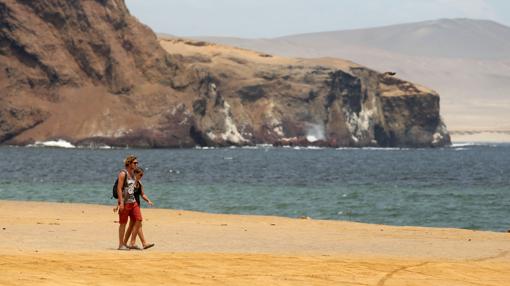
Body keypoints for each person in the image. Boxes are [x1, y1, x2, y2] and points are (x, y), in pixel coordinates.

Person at [123, 167, 155, 250]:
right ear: (135, 174)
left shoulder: (140, 184)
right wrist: (120, 204)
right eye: (140, 175)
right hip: (131, 205)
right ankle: (133, 242)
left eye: (142, 175)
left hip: (137, 206)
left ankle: (125, 243)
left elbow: (142, 194)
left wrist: (148, 200)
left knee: (135, 224)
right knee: (138, 222)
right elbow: (125, 194)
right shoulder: (131, 183)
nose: (141, 176)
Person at [116, 155, 142, 250]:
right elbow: (119, 188)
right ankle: (121, 244)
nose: (136, 164)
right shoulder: (123, 174)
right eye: (135, 163)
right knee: (123, 223)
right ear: (129, 163)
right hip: (125, 202)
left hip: (133, 201)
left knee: (138, 219)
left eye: (137, 163)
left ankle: (132, 243)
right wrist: (121, 203)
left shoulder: (133, 174)